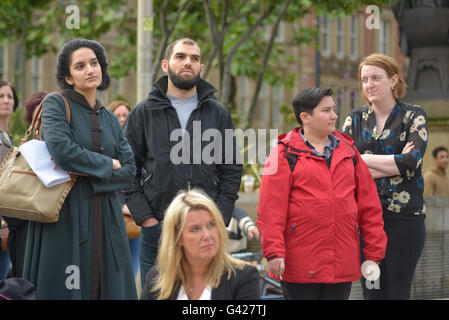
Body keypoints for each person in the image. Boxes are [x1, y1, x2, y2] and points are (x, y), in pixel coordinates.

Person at [23, 39, 137, 300]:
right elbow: (63, 151)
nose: (90, 69)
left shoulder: (109, 117)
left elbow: (129, 169)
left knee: (107, 286)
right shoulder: (56, 104)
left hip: (107, 217)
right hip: (67, 213)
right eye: (80, 66)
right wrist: (107, 164)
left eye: (94, 63)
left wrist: (90, 177)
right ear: (68, 77)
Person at [123, 37, 242, 283]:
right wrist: (146, 218)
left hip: (205, 231)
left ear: (201, 68)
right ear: (166, 65)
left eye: (194, 58)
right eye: (181, 57)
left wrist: (217, 218)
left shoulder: (217, 114)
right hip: (158, 229)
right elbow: (127, 169)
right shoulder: (144, 112)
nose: (188, 62)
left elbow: (231, 169)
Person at [257, 87, 387, 300]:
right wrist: (274, 252)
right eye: (326, 110)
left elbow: (370, 207)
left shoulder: (349, 151)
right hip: (299, 264)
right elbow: (270, 210)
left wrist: (373, 254)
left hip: (341, 262)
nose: (334, 115)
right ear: (305, 117)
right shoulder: (284, 153)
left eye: (334, 109)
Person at [342, 53, 428, 300]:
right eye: (365, 79)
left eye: (376, 78)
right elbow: (346, 166)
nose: (369, 85)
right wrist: (396, 162)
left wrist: (363, 160)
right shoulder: (355, 119)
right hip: (365, 221)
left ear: (393, 80)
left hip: (405, 220)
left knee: (397, 293)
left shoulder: (414, 115)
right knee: (372, 293)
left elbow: (411, 162)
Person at [140, 189, 260, 300]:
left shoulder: (243, 277)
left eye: (211, 225)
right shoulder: (157, 280)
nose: (207, 236)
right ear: (178, 237)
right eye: (195, 229)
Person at [107, 100, 141, 280]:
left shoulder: (138, 145)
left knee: (132, 273)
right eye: (117, 116)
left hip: (136, 217)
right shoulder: (104, 145)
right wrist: (120, 206)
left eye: (125, 116)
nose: (121, 119)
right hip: (112, 215)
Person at [0, 80, 19, 279]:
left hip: (9, 220)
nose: (6, 100)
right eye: (1, 96)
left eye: (10, 96)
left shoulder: (9, 137)